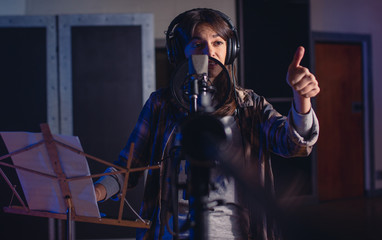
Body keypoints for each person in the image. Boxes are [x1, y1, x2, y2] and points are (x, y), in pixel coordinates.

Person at [94, 8, 320, 240]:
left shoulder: (250, 105)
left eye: (218, 43)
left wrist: (301, 98)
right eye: (198, 44)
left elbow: (294, 144)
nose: (210, 52)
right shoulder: (160, 104)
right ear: (181, 52)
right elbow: (127, 168)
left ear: (229, 50)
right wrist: (95, 193)